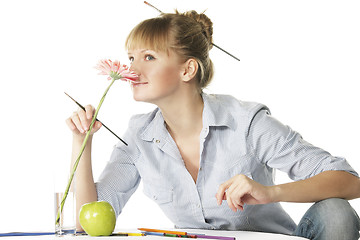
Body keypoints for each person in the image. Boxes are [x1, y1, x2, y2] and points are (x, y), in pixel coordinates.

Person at [66, 10, 360, 240]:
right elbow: (87, 221)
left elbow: (349, 180)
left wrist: (271, 192)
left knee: (336, 213)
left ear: (188, 69)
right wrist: (82, 143)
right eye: (131, 58)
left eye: (148, 57)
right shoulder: (138, 137)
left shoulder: (247, 123)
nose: (132, 69)